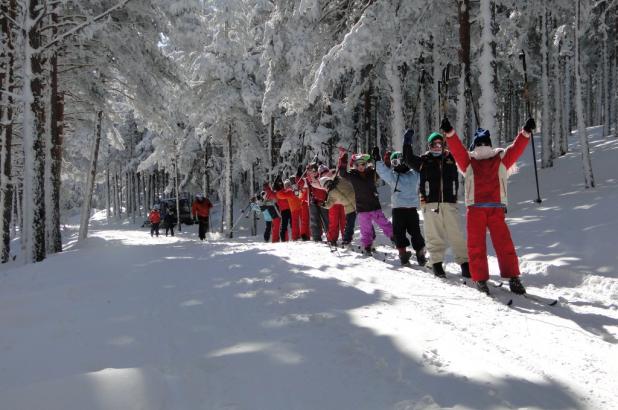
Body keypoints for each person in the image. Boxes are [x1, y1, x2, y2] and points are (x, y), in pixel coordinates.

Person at [441, 117, 535, 295]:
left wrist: (450, 133)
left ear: (474, 146)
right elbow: (516, 150)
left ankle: (481, 279)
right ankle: (513, 278)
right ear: (489, 144)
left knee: (476, 245)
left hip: (475, 208)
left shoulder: (468, 162)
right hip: (495, 208)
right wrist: (525, 132)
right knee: (504, 243)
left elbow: (457, 150)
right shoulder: (500, 160)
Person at [402, 129, 470, 278]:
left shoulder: (452, 159)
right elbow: (407, 158)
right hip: (430, 203)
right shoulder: (424, 161)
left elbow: (467, 158)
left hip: (449, 202)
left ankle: (465, 263)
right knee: (434, 234)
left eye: (440, 144)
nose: (437, 147)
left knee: (456, 233)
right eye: (434, 144)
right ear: (429, 146)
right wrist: (407, 142)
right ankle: (437, 263)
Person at [374, 145, 426, 266]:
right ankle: (403, 254)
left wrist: (420, 160)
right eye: (394, 162)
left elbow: (423, 169)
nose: (397, 165)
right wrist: (377, 160)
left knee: (416, 233)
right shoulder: (393, 176)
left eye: (399, 161)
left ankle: (420, 253)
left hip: (411, 210)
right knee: (398, 233)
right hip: (398, 211)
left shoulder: (414, 174)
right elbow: (383, 171)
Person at [338, 148, 393, 255]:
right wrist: (343, 158)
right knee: (365, 229)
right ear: (354, 165)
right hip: (362, 208)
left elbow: (383, 170)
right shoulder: (353, 175)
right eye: (358, 165)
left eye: (363, 164)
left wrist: (386, 160)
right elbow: (342, 173)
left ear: (366, 164)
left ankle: (394, 238)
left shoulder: (372, 173)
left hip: (374, 206)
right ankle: (367, 246)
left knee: (384, 224)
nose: (361, 167)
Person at [320, 171, 356, 247]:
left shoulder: (338, 180)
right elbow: (329, 204)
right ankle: (336, 239)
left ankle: (345, 239)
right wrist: (323, 204)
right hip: (345, 205)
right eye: (325, 186)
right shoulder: (331, 193)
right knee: (335, 222)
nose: (327, 186)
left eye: (327, 183)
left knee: (345, 222)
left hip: (351, 202)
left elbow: (346, 180)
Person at [304, 163, 330, 242]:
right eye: (312, 171)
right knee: (314, 220)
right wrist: (308, 171)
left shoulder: (321, 178)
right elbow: (303, 183)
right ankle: (316, 237)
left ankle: (330, 236)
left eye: (314, 171)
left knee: (327, 219)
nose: (313, 172)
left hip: (323, 201)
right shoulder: (309, 179)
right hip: (314, 201)